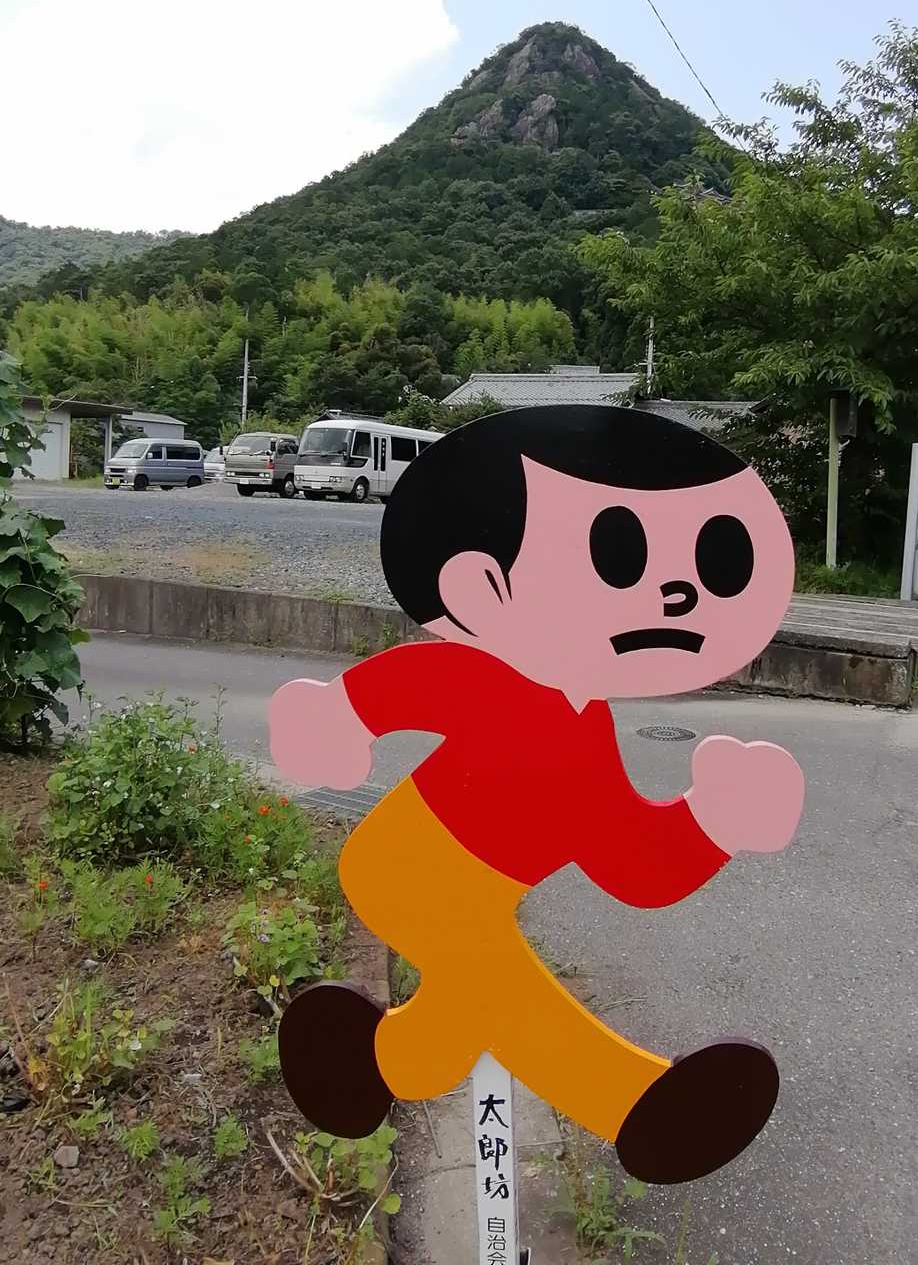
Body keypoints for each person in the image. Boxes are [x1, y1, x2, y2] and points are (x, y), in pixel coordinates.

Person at [269, 404, 804, 1184]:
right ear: (482, 586)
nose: (676, 593)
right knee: (504, 984)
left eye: (713, 563)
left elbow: (633, 861)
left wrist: (714, 822)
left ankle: (369, 1063)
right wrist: (336, 718)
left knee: (472, 997)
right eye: (618, 554)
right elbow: (407, 687)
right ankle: (632, 1105)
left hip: (476, 900)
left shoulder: (588, 739)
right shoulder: (490, 679)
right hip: (400, 868)